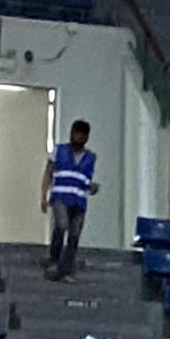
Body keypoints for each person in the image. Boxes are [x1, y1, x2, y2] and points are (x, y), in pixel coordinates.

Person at [44, 117, 99, 279]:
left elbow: (85, 179)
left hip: (79, 201)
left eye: (82, 134)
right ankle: (54, 258)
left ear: (87, 137)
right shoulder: (59, 151)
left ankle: (65, 268)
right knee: (61, 225)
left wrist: (91, 187)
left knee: (74, 235)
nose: (79, 137)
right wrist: (44, 195)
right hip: (60, 197)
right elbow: (48, 173)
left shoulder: (91, 157)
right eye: (76, 133)